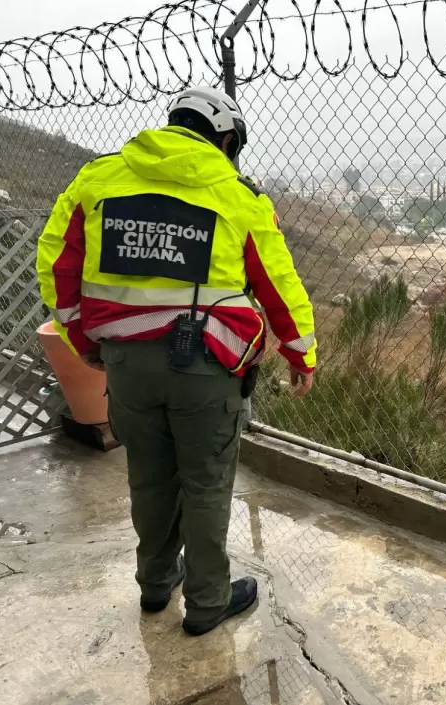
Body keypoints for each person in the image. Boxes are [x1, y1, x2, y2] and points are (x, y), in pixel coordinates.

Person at [36, 86, 316, 636]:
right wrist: (299, 350)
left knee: (150, 476)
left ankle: (155, 584)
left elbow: (57, 268)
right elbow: (278, 284)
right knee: (206, 483)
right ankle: (209, 601)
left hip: (126, 364)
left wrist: (82, 339)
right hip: (206, 370)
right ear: (227, 138)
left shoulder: (97, 180)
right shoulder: (237, 195)